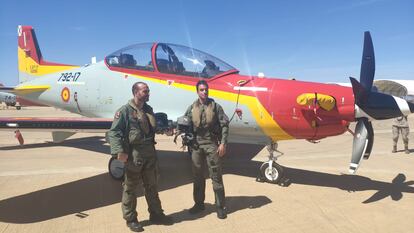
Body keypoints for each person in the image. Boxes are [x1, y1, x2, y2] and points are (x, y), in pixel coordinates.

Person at [108, 82, 172, 232]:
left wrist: (165, 130)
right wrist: (119, 153)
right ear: (136, 92)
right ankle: (131, 219)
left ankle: (156, 214)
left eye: (148, 91)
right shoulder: (124, 111)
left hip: (149, 153)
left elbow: (150, 129)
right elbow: (114, 132)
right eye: (145, 91)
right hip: (134, 154)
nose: (148, 93)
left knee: (152, 186)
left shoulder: (148, 110)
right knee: (130, 188)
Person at [180, 79, 229, 219]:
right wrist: (183, 134)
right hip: (196, 145)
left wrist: (223, 143)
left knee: (216, 175)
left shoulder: (216, 107)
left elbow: (225, 125)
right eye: (202, 90)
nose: (205, 92)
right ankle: (199, 204)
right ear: (197, 91)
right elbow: (185, 122)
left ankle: (220, 206)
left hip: (211, 143)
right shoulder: (191, 107)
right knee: (197, 176)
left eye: (206, 89)